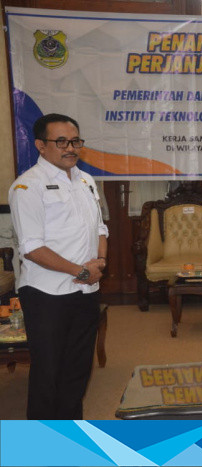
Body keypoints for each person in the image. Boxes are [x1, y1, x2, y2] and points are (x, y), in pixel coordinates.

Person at [8, 114, 108, 419]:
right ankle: (42, 448)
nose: (70, 147)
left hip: (87, 290)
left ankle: (72, 437)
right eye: (61, 141)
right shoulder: (27, 187)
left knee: (77, 372)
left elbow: (101, 229)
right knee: (48, 374)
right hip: (47, 294)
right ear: (40, 145)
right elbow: (32, 248)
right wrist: (79, 270)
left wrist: (99, 263)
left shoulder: (86, 180)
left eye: (75, 141)